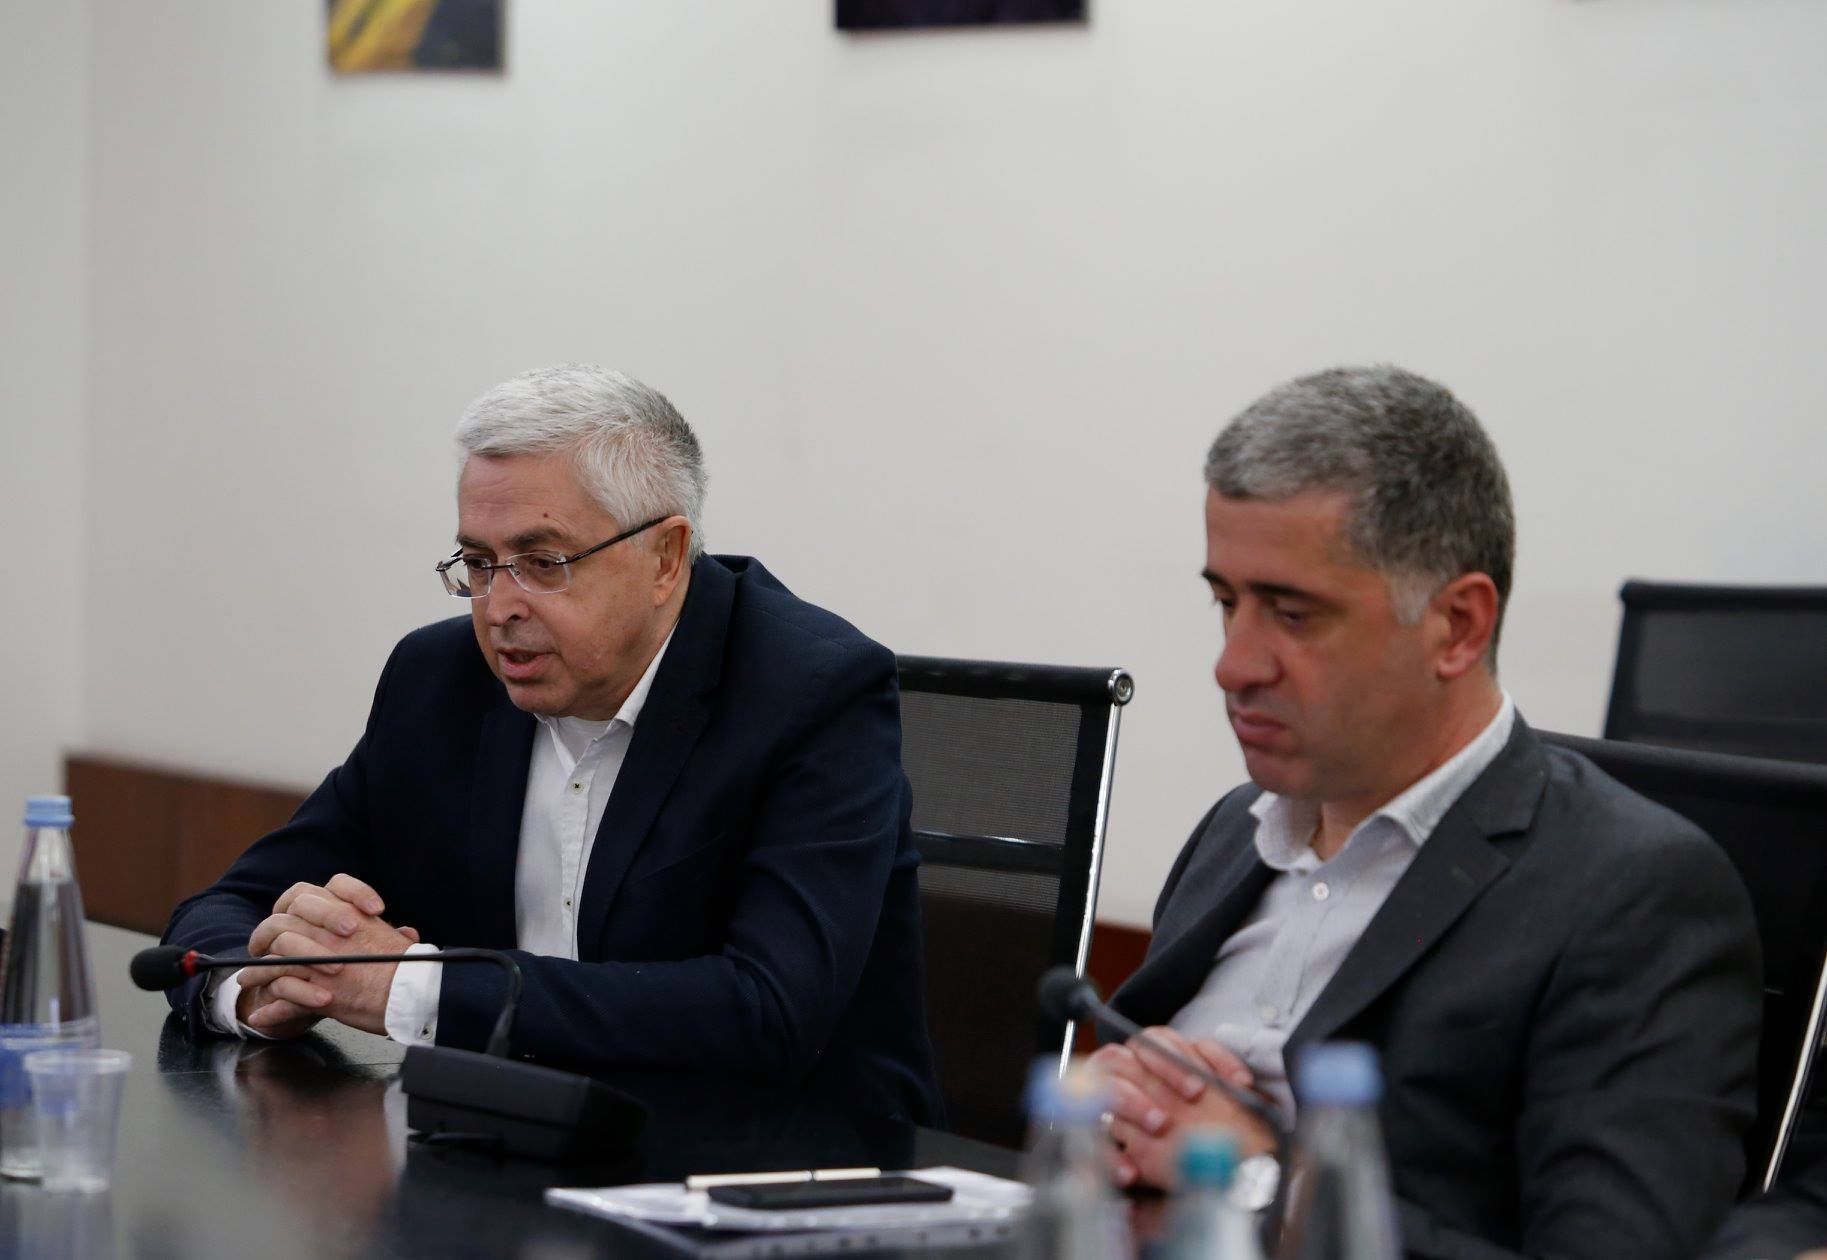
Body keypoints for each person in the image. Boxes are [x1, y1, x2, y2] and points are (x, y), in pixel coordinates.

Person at [1091, 366, 1761, 1259]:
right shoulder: (1234, 831)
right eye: (1226, 602)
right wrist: (1107, 1109)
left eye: (1292, 614)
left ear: (1457, 626)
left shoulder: (1633, 892)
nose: (1234, 664)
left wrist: (1257, 1179)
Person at [161, 364, 941, 1124]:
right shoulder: (440, 681)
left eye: (542, 563)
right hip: (503, 1141)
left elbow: (767, 1010)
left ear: (666, 558)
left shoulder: (808, 692)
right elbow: (225, 911)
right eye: (478, 563)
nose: (498, 607)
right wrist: (259, 986)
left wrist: (413, 990)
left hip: (773, 1159)